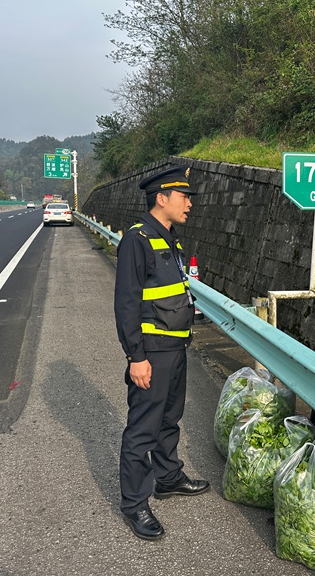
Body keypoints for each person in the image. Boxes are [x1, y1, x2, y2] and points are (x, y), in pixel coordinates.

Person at [114, 164, 210, 541]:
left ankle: (167, 478)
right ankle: (135, 503)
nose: (190, 204)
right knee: (143, 428)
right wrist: (135, 357)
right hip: (151, 350)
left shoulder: (170, 238)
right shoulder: (137, 239)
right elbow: (126, 303)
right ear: (162, 198)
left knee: (170, 417)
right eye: (184, 197)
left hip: (175, 345)